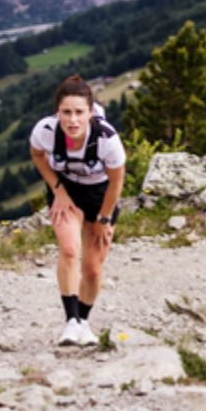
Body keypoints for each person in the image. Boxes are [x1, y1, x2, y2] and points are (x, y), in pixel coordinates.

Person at [29, 75, 126, 346]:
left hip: (100, 194)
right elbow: (37, 155)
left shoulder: (107, 138)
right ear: (57, 112)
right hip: (66, 190)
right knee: (70, 249)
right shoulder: (46, 130)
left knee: (93, 270)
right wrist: (58, 189)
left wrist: (104, 219)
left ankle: (83, 321)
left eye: (79, 112)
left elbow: (117, 181)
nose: (73, 120)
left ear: (91, 113)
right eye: (66, 112)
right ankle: (71, 322)